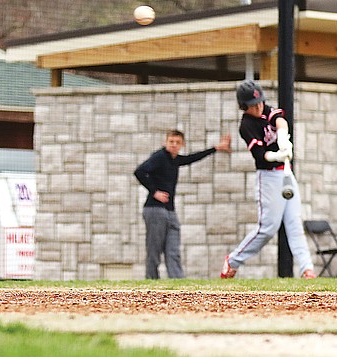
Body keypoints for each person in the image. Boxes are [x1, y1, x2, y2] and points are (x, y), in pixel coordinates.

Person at [220, 80, 316, 279]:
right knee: (268, 227)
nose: (259, 106)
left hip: (286, 173)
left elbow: (280, 120)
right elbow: (260, 155)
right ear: (244, 106)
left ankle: (307, 269)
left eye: (260, 102)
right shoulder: (246, 125)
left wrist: (283, 138)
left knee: (294, 223)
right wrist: (276, 155)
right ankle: (233, 261)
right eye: (253, 105)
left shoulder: (265, 110)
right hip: (268, 177)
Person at [135, 130, 231, 279]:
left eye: (177, 142)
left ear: (182, 144)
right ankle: (151, 281)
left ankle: (177, 280)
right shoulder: (159, 157)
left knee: (173, 249)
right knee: (154, 250)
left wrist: (216, 148)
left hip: (170, 211)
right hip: (154, 209)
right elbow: (140, 171)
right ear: (165, 142)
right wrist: (154, 192)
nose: (174, 145)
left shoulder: (174, 160)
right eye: (171, 141)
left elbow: (191, 158)